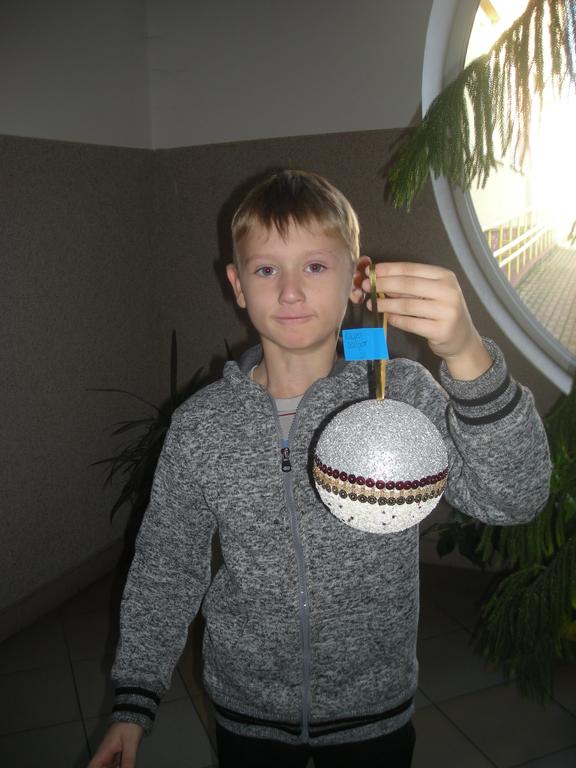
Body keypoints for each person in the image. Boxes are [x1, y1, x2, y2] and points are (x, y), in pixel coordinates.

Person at [87, 170, 551, 768]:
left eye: (314, 266)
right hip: (248, 712)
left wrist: (468, 355)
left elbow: (514, 496)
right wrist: (134, 701)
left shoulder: (401, 396)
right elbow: (166, 566)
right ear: (237, 285)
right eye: (265, 270)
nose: (289, 292)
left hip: (373, 712)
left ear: (357, 280)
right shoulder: (202, 425)